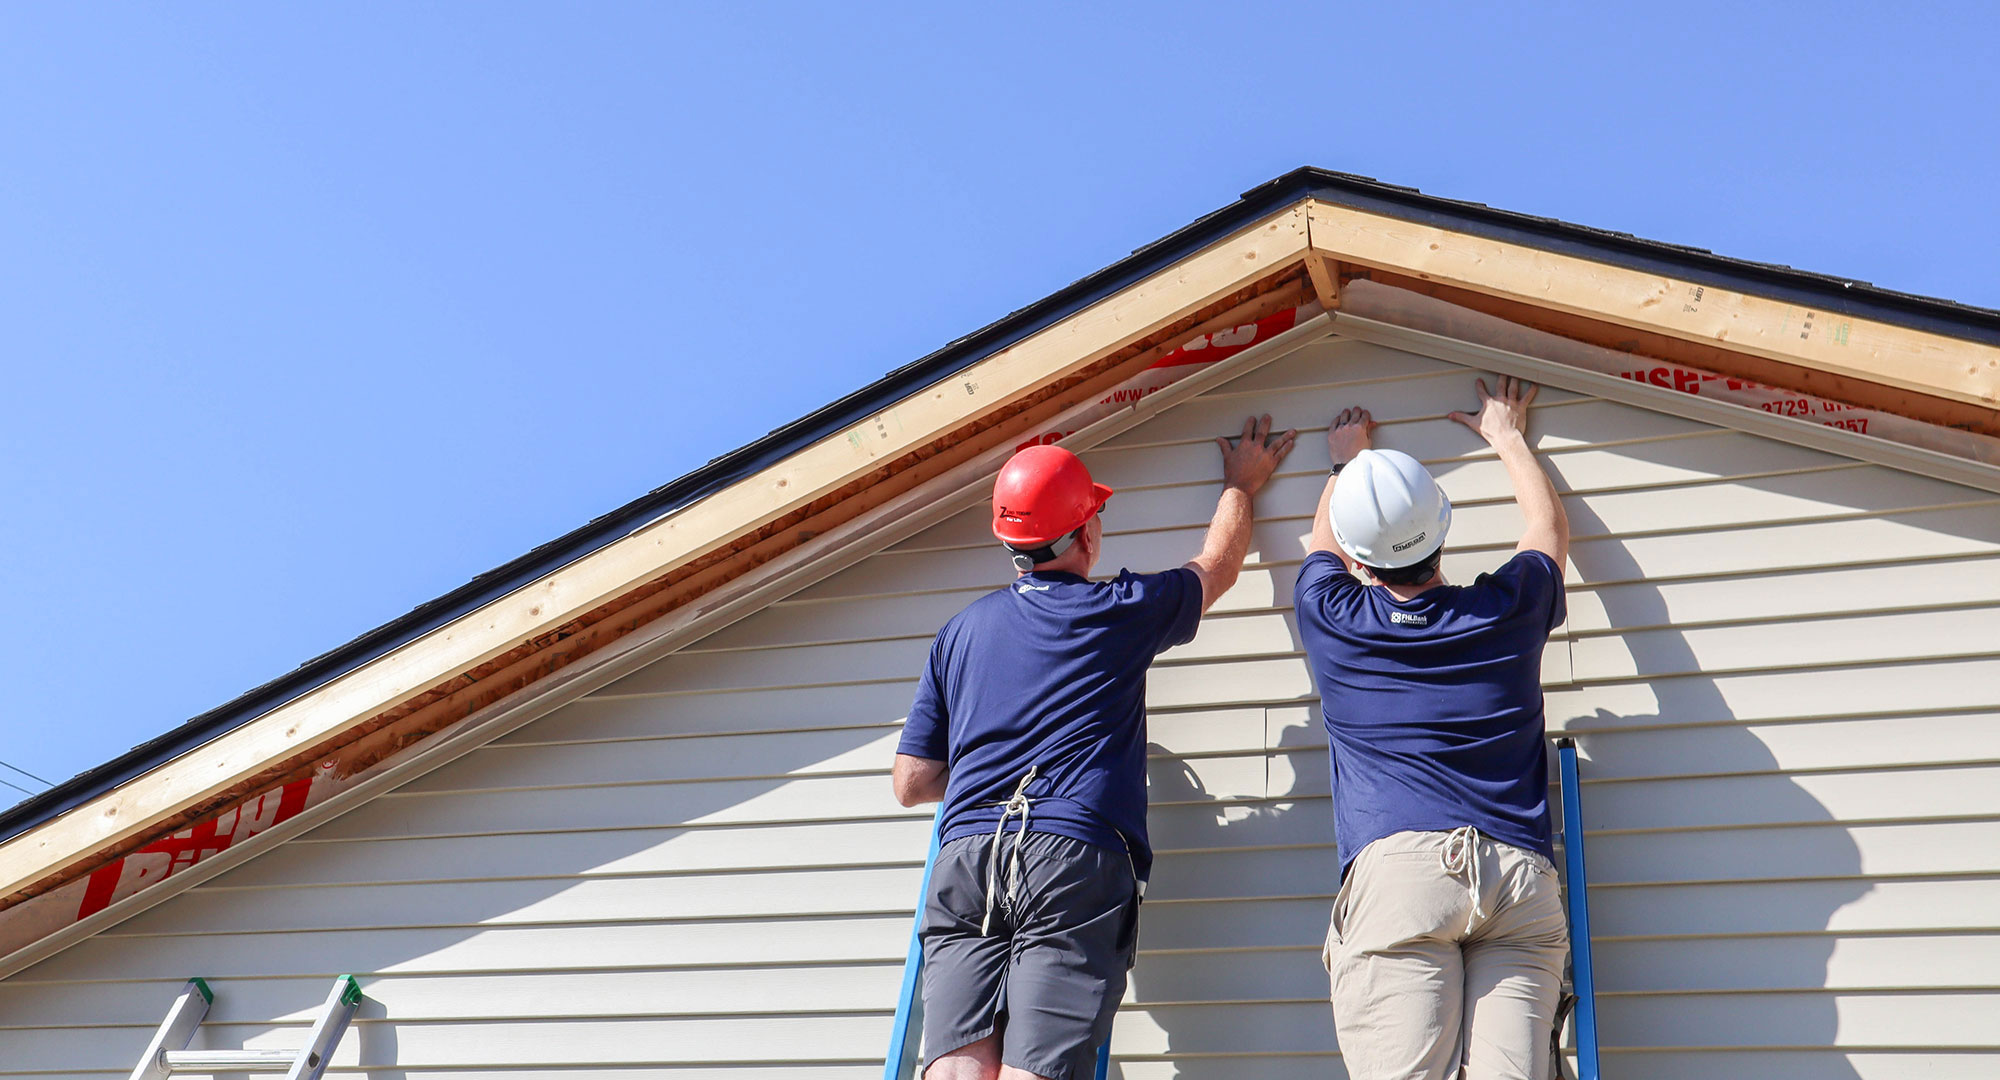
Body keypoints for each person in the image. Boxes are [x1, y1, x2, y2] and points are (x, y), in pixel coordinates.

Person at [892, 417, 1295, 1080]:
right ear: (1086, 533)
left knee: (958, 1067)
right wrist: (1239, 484)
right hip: (1068, 856)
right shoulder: (1115, 609)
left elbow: (911, 782)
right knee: (1039, 1068)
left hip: (966, 856)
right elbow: (1215, 569)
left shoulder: (959, 632)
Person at [1294, 376, 1572, 1080]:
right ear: (1443, 526)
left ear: (1359, 562)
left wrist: (1346, 463)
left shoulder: (1334, 619)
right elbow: (1545, 532)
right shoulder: (1506, 610)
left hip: (1402, 877)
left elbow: (1323, 546)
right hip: (1514, 877)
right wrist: (1507, 436)